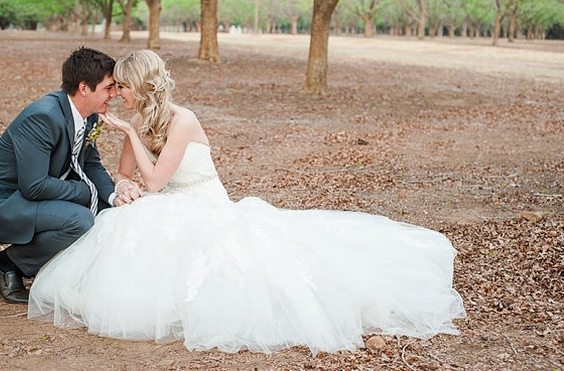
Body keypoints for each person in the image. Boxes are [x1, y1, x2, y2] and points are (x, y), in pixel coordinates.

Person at [28, 50, 465, 354]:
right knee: (125, 223)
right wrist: (123, 187)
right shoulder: (143, 119)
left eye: (122, 86)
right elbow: (128, 174)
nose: (117, 93)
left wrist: (128, 134)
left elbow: (157, 182)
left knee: (187, 238)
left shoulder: (183, 120)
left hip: (204, 205)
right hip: (167, 203)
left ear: (140, 86)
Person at [0, 47, 143, 304]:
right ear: (84, 88)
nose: (114, 95)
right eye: (109, 87)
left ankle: (76, 270)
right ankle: (6, 263)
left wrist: (112, 195)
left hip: (34, 193)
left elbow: (91, 165)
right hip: (1, 200)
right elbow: (34, 186)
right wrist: (84, 192)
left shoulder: (89, 118)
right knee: (79, 219)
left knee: (109, 212)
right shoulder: (43, 116)